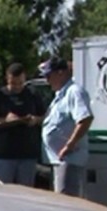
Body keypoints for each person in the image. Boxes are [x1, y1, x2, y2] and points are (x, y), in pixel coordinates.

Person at [0, 63, 45, 186]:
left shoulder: (32, 94)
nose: (17, 87)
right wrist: (5, 121)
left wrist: (35, 120)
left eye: (20, 83)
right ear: (7, 79)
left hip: (28, 153)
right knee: (6, 190)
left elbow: (44, 117)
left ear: (25, 78)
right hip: (4, 153)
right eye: (13, 84)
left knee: (26, 191)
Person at [39, 57, 94, 197]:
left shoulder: (74, 91)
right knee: (60, 199)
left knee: (67, 202)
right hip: (59, 161)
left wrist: (69, 145)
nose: (47, 80)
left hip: (69, 160)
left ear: (61, 73)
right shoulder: (60, 95)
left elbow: (85, 119)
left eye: (48, 75)